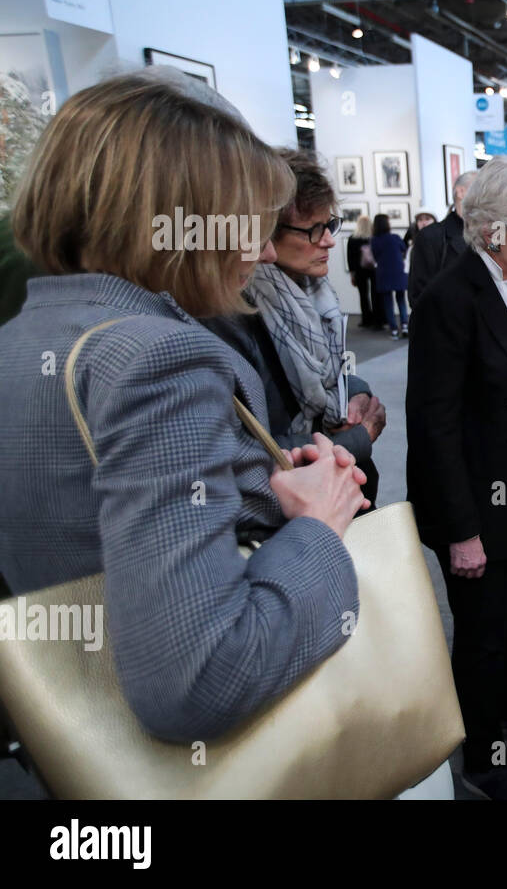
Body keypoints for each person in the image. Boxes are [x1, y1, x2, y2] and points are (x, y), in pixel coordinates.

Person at [0, 69, 367, 742]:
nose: (260, 251)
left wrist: (259, 486)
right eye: (245, 224)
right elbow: (202, 679)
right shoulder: (157, 358)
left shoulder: (26, 337)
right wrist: (320, 522)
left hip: (83, 732)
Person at [406, 156, 507, 801]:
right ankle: (484, 757)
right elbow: (435, 428)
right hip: (476, 501)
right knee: (478, 635)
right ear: (495, 232)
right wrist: (461, 532)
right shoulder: (452, 299)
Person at [207, 149, 387, 507]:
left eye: (329, 225)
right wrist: (356, 440)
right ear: (264, 231)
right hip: (292, 512)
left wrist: (355, 391)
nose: (329, 241)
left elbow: (325, 370)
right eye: (312, 230)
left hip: (340, 494)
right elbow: (243, 453)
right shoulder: (230, 316)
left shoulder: (313, 292)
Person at [409, 170, 476, 307]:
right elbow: (419, 295)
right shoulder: (431, 237)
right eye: (482, 189)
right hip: (449, 323)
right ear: (461, 192)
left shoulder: (491, 234)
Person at [371, 213, 409, 339]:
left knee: (388, 303)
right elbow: (404, 248)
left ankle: (394, 330)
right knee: (401, 300)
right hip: (398, 271)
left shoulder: (375, 240)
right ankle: (404, 325)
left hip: (383, 272)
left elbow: (375, 256)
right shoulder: (395, 237)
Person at [346, 215, 382, 330]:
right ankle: (377, 320)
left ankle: (366, 319)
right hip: (374, 269)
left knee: (363, 295)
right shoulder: (374, 237)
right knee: (375, 294)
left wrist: (352, 274)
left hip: (359, 270)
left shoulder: (352, 238)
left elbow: (350, 258)